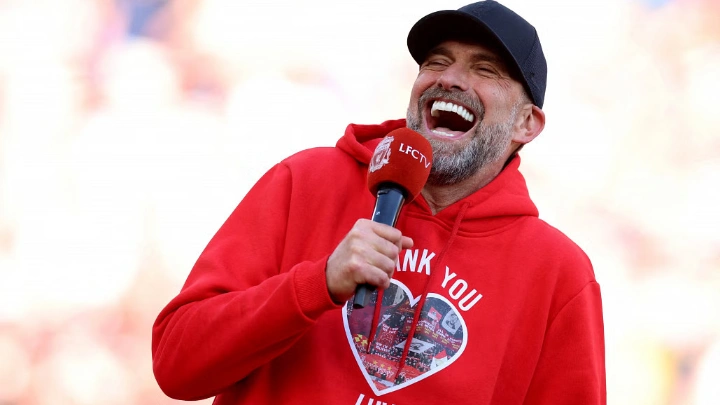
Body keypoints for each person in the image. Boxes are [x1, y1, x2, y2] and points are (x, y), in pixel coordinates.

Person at [151, 1, 606, 404]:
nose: (449, 78)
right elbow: (177, 365)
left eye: (484, 69)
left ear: (527, 123)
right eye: (436, 61)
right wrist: (316, 285)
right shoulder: (307, 182)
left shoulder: (558, 275)